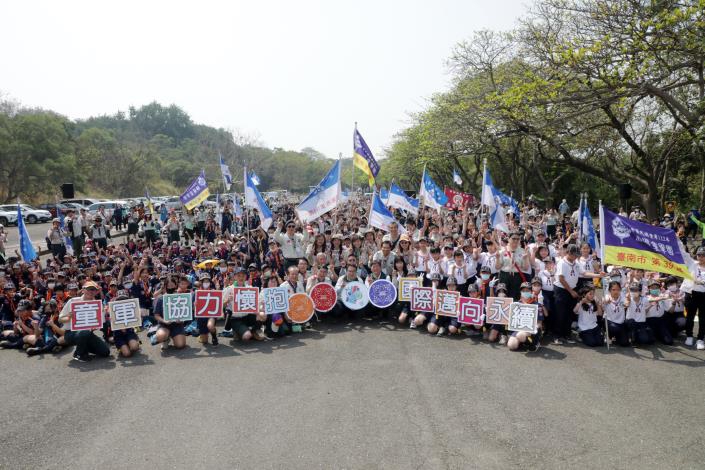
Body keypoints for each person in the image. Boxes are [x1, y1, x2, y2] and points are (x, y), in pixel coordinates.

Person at [57, 281, 111, 362]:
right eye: (88, 289)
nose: (91, 292)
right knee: (84, 332)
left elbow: (100, 324)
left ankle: (83, 347)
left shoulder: (97, 305)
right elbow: (60, 319)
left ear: (96, 292)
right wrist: (69, 317)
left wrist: (104, 313)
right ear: (83, 290)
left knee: (105, 352)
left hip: (88, 334)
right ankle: (79, 354)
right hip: (71, 334)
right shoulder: (73, 301)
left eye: (93, 290)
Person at [507, 282, 544, 351]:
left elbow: (539, 323)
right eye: (523, 291)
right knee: (511, 346)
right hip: (519, 328)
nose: (525, 292)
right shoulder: (517, 304)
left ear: (531, 291)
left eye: (527, 291)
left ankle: (534, 343)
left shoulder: (537, 305)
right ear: (520, 292)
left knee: (520, 335)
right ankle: (523, 342)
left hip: (531, 330)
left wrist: (535, 327)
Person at [684, 246, 705, 349]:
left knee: (703, 318)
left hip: (704, 296)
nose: (700, 257)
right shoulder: (692, 264)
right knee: (690, 316)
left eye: (703, 255)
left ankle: (700, 339)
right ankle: (689, 335)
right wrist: (677, 239)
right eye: (699, 255)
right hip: (692, 294)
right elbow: (684, 254)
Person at [603, 281, 629, 347]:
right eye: (613, 290)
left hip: (620, 323)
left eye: (618, 289)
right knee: (614, 328)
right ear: (609, 290)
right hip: (610, 322)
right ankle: (608, 335)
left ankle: (617, 337)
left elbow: (626, 303)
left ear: (620, 290)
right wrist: (606, 301)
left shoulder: (622, 296)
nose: (616, 292)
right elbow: (605, 300)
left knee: (624, 343)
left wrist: (627, 301)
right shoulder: (607, 296)